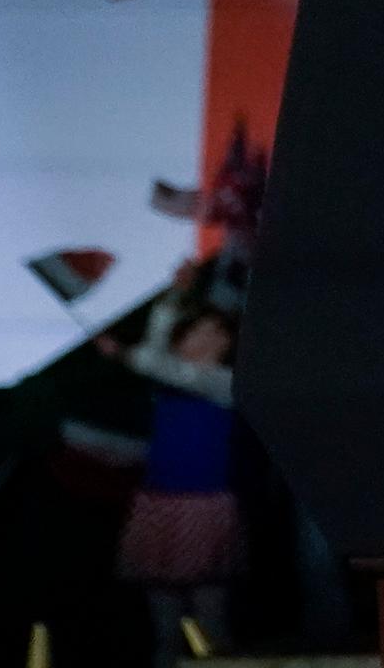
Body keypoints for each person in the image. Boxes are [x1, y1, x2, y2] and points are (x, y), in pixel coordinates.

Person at [98, 284, 243, 666]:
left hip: (204, 507)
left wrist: (126, 353)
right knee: (164, 622)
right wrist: (172, 299)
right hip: (158, 503)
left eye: (219, 332)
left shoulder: (224, 383)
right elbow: (157, 356)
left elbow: (162, 364)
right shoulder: (166, 382)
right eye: (201, 330)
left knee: (209, 619)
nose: (212, 339)